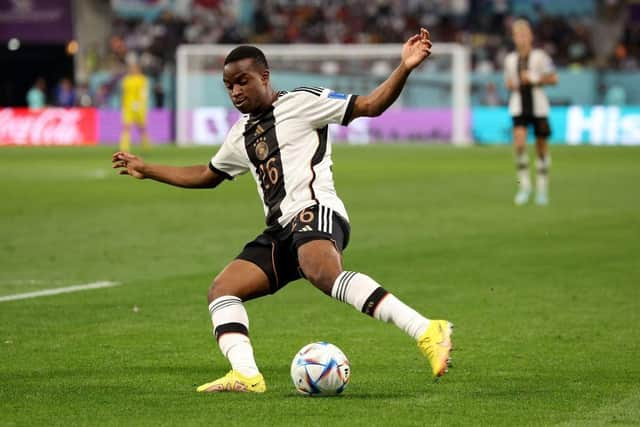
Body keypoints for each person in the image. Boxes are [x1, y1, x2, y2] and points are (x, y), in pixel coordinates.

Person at [112, 28, 452, 393]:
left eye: (243, 82)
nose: (236, 92)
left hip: (315, 211)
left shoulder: (303, 101)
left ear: (265, 77)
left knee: (322, 272)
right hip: (280, 232)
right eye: (229, 87)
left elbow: (370, 105)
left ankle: (426, 330)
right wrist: (148, 170)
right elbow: (207, 174)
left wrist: (404, 67)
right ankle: (246, 374)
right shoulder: (241, 133)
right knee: (223, 290)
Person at [504, 19, 558, 206]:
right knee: (519, 143)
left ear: (531, 37)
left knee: (541, 147)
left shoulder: (541, 57)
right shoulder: (510, 60)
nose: (522, 39)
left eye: (524, 35)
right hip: (518, 105)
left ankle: (542, 189)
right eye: (518, 35)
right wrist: (513, 84)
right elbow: (508, 83)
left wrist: (534, 78)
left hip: (539, 106)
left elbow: (554, 78)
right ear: (514, 38)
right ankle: (524, 186)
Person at [120, 63, 151, 152]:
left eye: (134, 68)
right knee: (126, 127)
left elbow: (144, 93)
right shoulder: (126, 79)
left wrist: (139, 103)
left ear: (138, 69)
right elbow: (124, 93)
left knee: (142, 127)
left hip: (139, 107)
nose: (132, 70)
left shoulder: (142, 79)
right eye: (131, 68)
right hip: (128, 107)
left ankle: (146, 145)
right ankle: (124, 147)